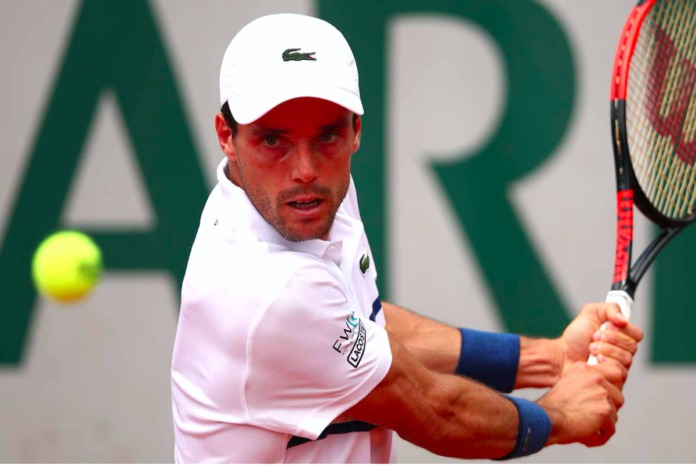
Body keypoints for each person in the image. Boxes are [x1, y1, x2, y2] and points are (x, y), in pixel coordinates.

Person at [170, 13, 643, 463]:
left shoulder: (303, 199)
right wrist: (562, 414)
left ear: (355, 130)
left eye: (327, 137)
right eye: (273, 140)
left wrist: (550, 359)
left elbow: (361, 325)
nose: (305, 169)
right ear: (226, 136)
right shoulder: (267, 291)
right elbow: (436, 411)